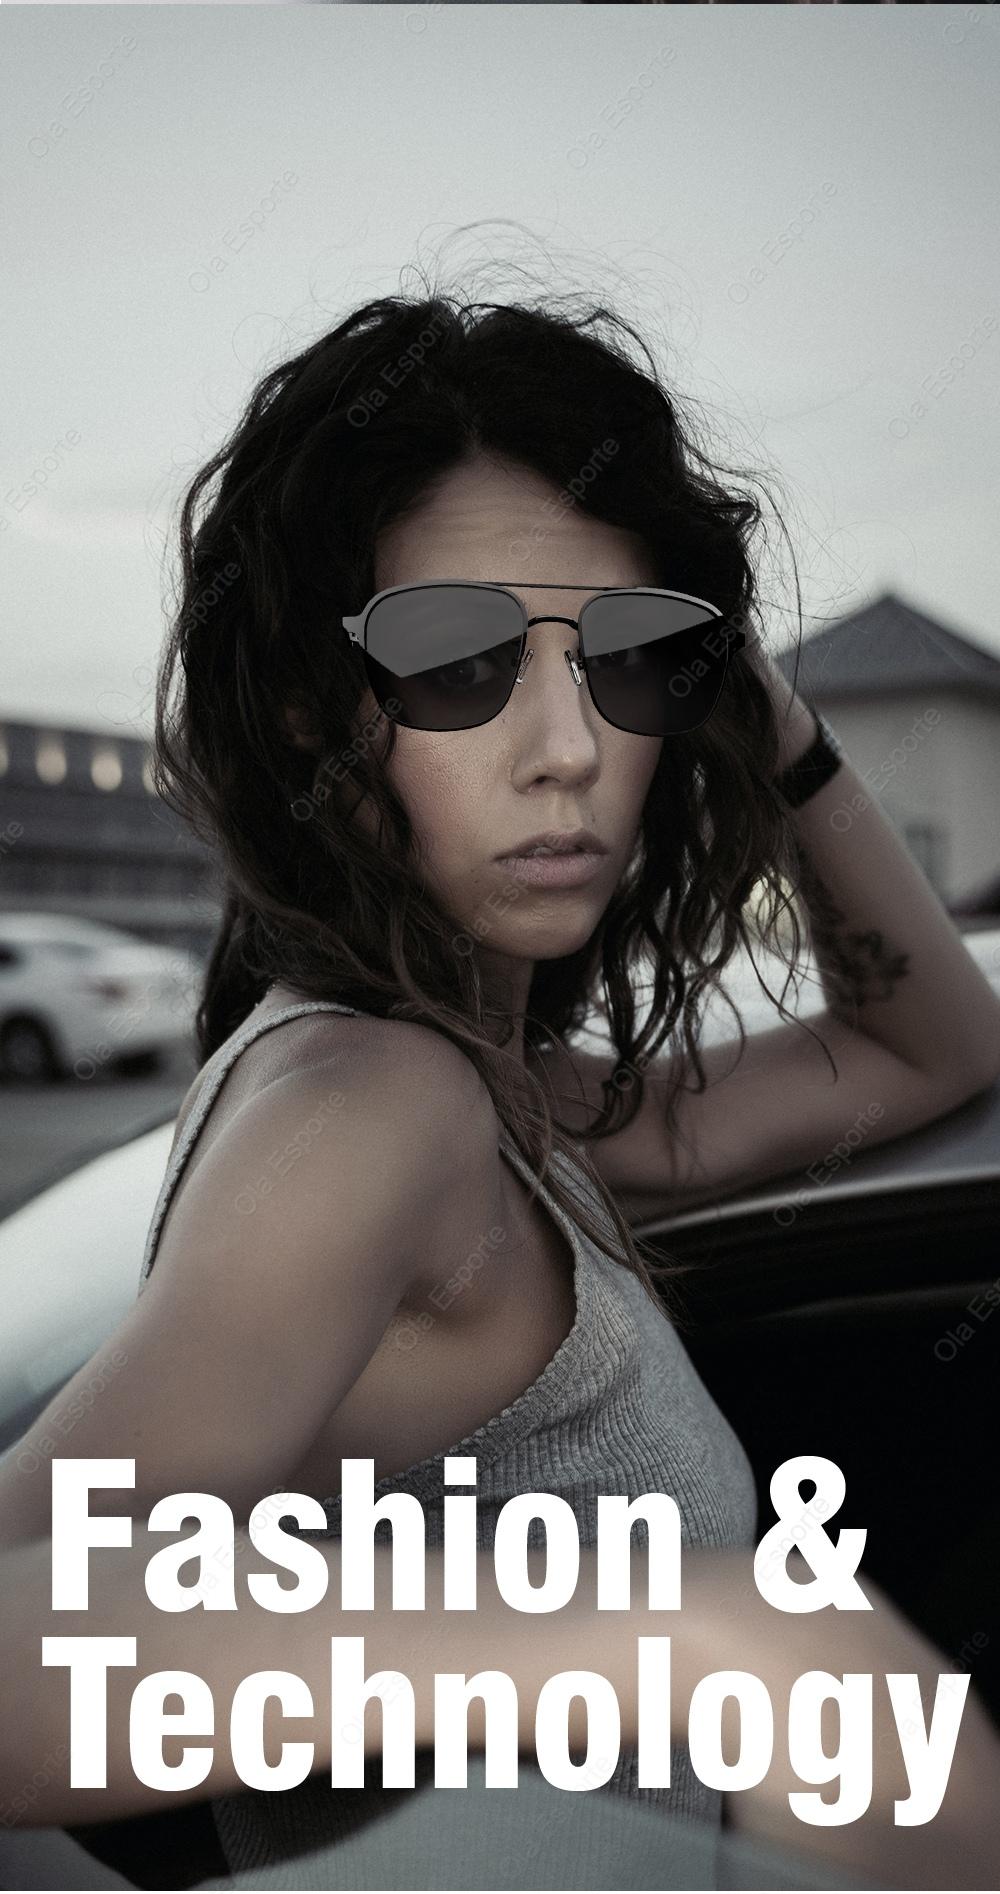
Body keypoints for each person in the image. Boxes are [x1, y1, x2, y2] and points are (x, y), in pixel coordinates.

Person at [2, 286, 1000, 1890]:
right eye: (456, 659)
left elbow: (927, 1048)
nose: (569, 746)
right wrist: (691, 1634)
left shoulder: (514, 1099)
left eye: (629, 659)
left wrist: (769, 718)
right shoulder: (376, 1109)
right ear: (316, 710)